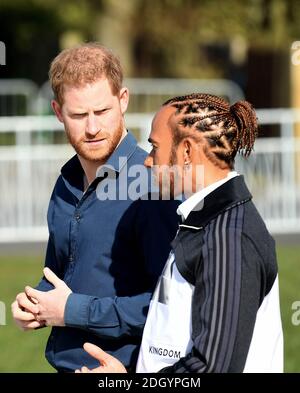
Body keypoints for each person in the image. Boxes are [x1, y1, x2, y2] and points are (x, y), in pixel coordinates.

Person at [75, 93, 284, 373]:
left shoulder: (229, 237)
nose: (148, 162)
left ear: (186, 152)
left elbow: (211, 368)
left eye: (155, 147)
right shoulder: (205, 221)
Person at [11, 43, 179, 372]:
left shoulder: (153, 185)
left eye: (101, 112)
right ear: (58, 112)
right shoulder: (66, 183)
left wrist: (72, 310)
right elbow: (62, 272)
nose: (91, 128)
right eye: (78, 115)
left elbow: (169, 304)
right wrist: (37, 301)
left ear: (123, 100)